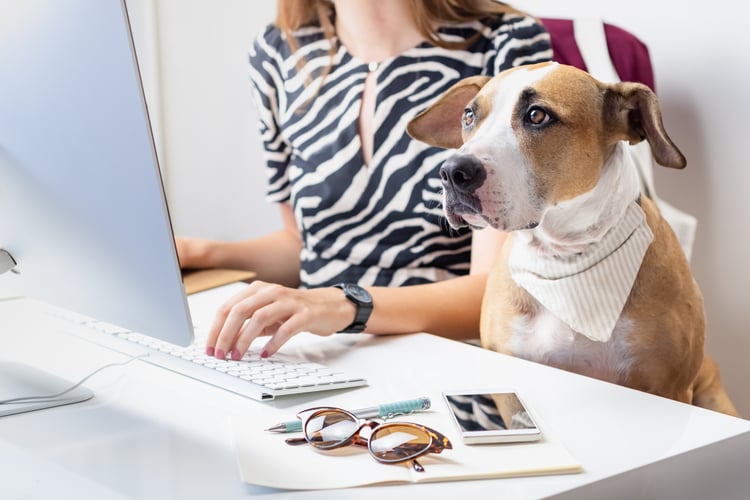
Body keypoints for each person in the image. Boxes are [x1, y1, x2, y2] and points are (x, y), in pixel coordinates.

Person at [176, 0, 552, 361]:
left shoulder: (505, 42)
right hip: (310, 350)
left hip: (442, 354)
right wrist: (202, 254)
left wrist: (343, 305)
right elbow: (303, 244)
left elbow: (495, 293)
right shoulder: (277, 52)